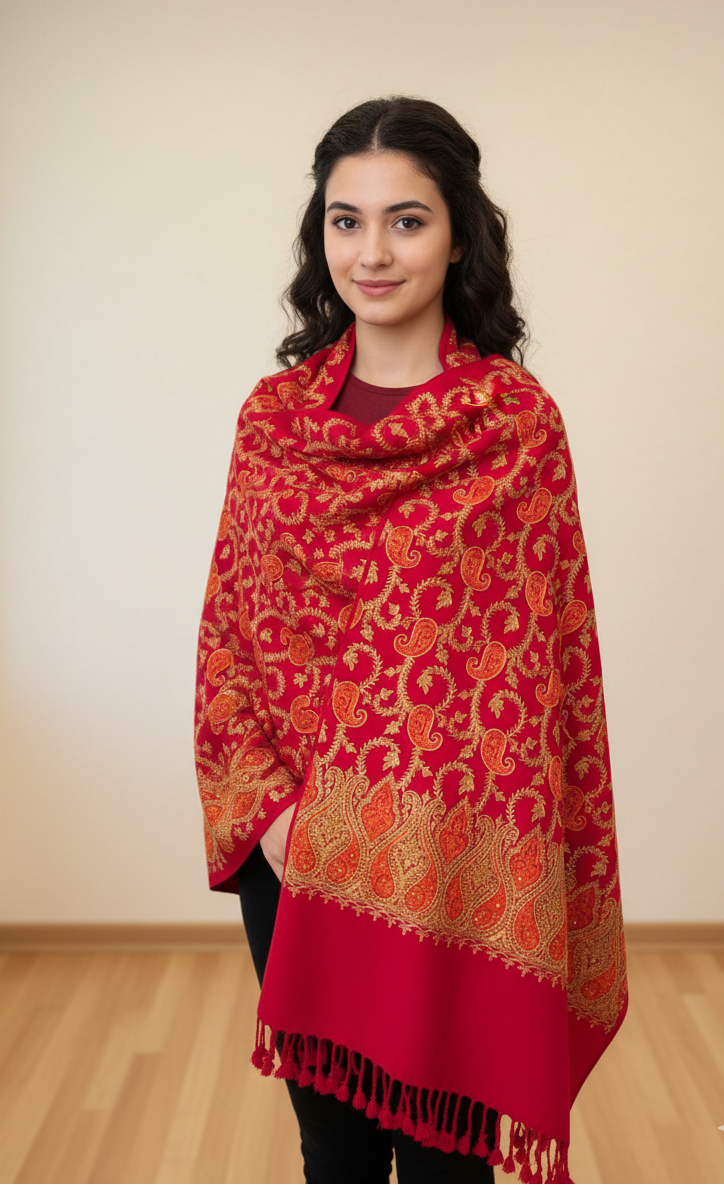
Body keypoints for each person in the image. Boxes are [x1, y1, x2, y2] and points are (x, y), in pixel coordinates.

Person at [195, 96, 627, 1185]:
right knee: (332, 1149)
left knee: (444, 1161)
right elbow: (231, 638)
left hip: (456, 858)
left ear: (459, 232)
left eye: (406, 220)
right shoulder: (272, 422)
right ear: (318, 237)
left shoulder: (514, 426)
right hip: (292, 847)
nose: (371, 252)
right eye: (345, 221)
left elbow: (541, 676)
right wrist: (278, 817)